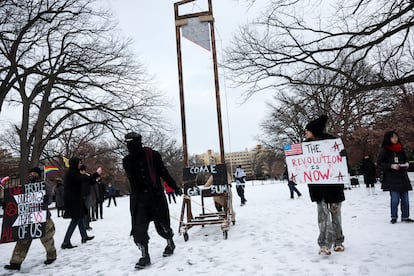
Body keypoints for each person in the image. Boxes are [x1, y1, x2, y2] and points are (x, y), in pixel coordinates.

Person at [122, 132, 183, 270]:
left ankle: (170, 242)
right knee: (138, 228)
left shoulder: (152, 155)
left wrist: (175, 187)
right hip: (139, 200)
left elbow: (163, 172)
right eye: (128, 143)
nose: (130, 145)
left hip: (155, 196)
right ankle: (145, 255)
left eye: (132, 142)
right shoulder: (126, 160)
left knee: (162, 224)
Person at [304, 115, 345, 255]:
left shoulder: (333, 142)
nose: (306, 133)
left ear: (314, 130)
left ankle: (338, 242)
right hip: (317, 187)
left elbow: (342, 161)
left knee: (336, 214)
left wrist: (343, 155)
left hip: (334, 185)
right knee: (323, 216)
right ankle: (324, 244)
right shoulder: (306, 146)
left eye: (308, 130)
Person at [4, 167, 57, 271]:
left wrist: (46, 199)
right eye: (30, 174)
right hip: (28, 218)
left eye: (34, 174)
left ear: (38, 175)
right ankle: (16, 262)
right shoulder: (25, 186)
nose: (31, 175)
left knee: (47, 239)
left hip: (42, 217)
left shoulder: (45, 185)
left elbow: (49, 199)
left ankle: (51, 256)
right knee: (23, 240)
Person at [61, 157, 100, 249]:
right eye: (79, 163)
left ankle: (84, 236)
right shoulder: (72, 173)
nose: (80, 165)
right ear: (75, 164)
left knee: (80, 217)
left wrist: (94, 177)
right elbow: (84, 179)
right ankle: (66, 242)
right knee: (75, 219)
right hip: (73, 200)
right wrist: (96, 174)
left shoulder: (73, 172)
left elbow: (86, 179)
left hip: (76, 199)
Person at [377, 131, 413, 224]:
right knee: (395, 199)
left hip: (402, 176)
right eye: (393, 137)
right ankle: (394, 216)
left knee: (405, 199)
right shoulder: (385, 150)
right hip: (391, 178)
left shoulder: (401, 149)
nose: (395, 139)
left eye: (396, 137)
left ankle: (405, 216)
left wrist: (406, 164)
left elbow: (405, 159)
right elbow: (380, 164)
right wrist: (391, 166)